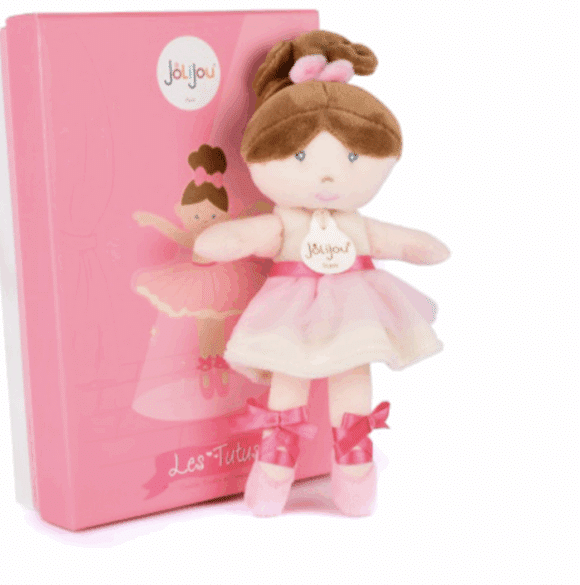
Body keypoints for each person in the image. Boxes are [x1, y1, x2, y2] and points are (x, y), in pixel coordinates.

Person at [194, 30, 449, 516]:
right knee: (288, 379)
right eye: (302, 158)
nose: (329, 176)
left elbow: (396, 241)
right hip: (290, 312)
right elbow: (247, 237)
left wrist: (422, 247)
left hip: (355, 310)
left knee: (353, 377)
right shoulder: (286, 221)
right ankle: (275, 466)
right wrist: (222, 242)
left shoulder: (355, 222)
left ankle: (355, 468)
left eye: (352, 159)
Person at [134, 144, 265, 398]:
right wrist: (153, 220)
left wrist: (255, 211)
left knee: (219, 329)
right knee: (205, 330)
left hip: (223, 280)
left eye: (213, 216)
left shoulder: (223, 232)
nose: (203, 221)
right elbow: (175, 233)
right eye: (195, 217)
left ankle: (220, 366)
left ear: (223, 215)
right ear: (185, 213)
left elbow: (241, 231)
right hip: (198, 281)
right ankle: (207, 369)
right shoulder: (193, 238)